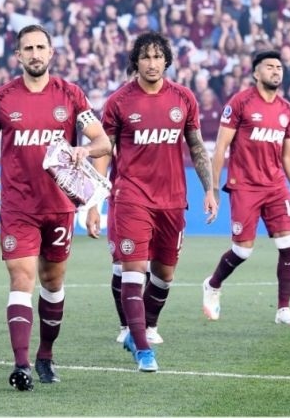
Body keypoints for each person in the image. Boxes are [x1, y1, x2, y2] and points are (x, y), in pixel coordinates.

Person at [0, 24, 111, 391]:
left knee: (53, 283)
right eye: (28, 48)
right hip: (18, 207)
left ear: (51, 53)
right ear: (18, 55)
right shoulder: (2, 98)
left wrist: (85, 149)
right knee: (22, 278)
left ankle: (45, 356)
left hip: (59, 208)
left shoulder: (71, 95)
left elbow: (103, 140)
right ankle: (20, 365)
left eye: (41, 47)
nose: (35, 54)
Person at [86, 31, 216, 372]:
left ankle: (144, 326)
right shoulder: (118, 102)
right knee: (133, 269)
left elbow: (198, 147)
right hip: (131, 196)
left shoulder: (184, 99)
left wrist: (210, 189)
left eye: (158, 57)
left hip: (172, 200)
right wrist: (94, 201)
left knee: (164, 274)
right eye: (146, 57)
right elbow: (103, 150)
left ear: (167, 61)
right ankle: (141, 346)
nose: (152, 63)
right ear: (136, 61)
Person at [203, 50, 290, 325]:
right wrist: (213, 189)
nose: (276, 71)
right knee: (243, 251)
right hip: (245, 186)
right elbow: (220, 148)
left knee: (288, 242)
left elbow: (288, 155)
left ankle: (283, 309)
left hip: (276, 186)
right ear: (256, 73)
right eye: (269, 67)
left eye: (279, 67)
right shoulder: (240, 103)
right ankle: (213, 284)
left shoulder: (286, 109)